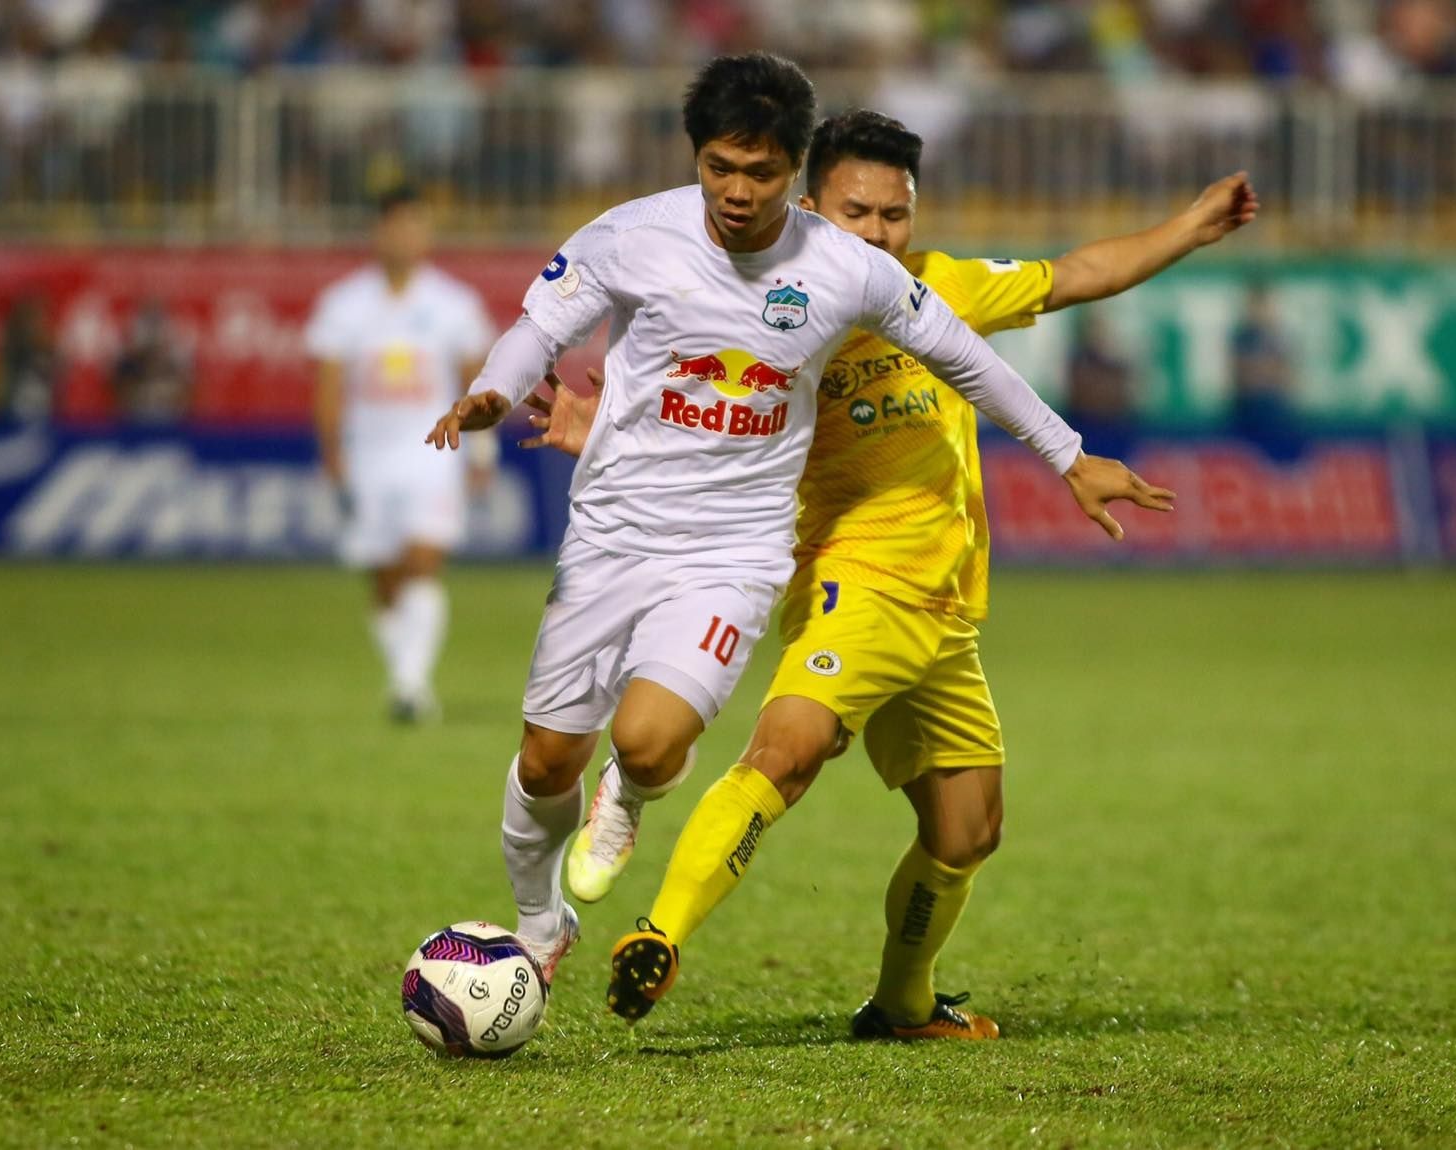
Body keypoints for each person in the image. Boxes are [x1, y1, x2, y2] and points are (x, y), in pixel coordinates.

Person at [424, 56, 1173, 985]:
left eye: (761, 173)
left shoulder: (846, 271)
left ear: (796, 174)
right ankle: (541, 922)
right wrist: (491, 389)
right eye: (718, 168)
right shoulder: (629, 238)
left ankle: (631, 795)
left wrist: (1068, 455)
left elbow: (968, 359)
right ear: (697, 158)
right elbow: (540, 327)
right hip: (614, 530)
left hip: (735, 550)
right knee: (544, 762)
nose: (737, 192)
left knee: (649, 743)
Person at [528, 110, 1257, 1038]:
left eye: (895, 214)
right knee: (787, 754)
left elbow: (1076, 274)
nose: (878, 232)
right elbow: (699, 404)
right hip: (852, 583)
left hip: (946, 611)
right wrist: (612, 430)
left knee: (967, 831)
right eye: (858, 211)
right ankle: (659, 936)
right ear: (808, 206)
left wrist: (1190, 227)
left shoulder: (936, 287)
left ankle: (904, 1003)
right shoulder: (780, 302)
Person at [306, 183, 498, 723]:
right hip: (368, 455)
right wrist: (332, 453)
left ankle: (410, 689)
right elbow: (328, 387)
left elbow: (474, 385)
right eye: (399, 225)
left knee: (423, 559)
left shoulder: (453, 304)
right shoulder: (344, 304)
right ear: (379, 231)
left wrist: (482, 454)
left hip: (432, 453)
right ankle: (407, 682)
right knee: (384, 576)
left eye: (418, 225)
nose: (409, 236)